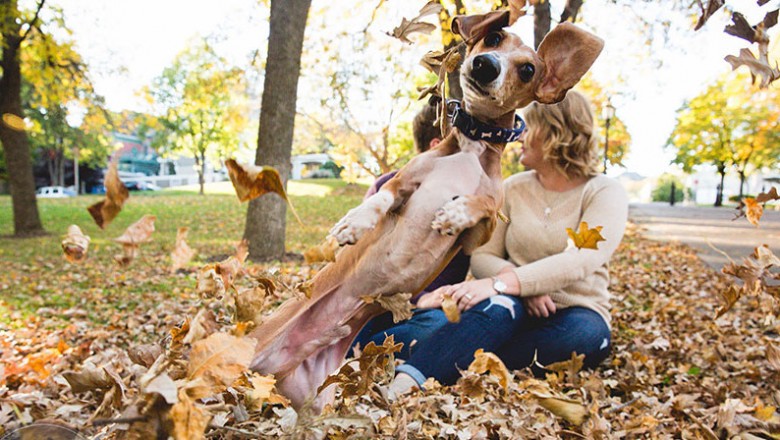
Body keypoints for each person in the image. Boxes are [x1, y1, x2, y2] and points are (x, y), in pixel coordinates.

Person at [389, 90, 629, 393]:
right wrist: (517, 287)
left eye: (527, 126)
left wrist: (506, 282)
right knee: (499, 307)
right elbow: (482, 255)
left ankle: (455, 353)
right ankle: (408, 381)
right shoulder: (513, 188)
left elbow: (580, 259)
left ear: (556, 132)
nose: (518, 135)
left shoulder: (603, 192)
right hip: (510, 306)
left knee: (585, 337)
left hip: (574, 310)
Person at [352, 99, 470, 358]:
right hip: (375, 306)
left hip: (425, 317)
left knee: (441, 329)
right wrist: (420, 299)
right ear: (438, 148)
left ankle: (367, 353)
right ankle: (359, 352)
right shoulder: (388, 187)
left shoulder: (469, 201)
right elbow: (364, 267)